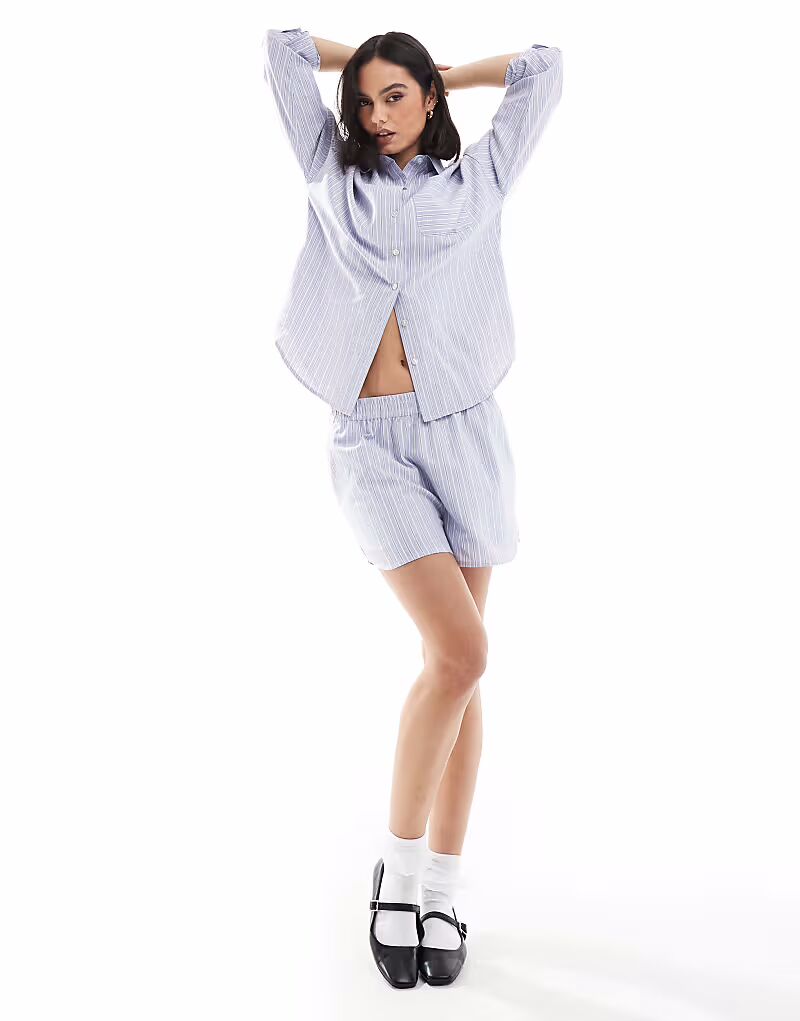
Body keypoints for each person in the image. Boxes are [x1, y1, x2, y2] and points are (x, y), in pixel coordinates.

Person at [262, 27, 563, 988]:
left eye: (397, 96)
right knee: (463, 652)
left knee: (457, 669)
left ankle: (443, 885)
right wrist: (361, 60)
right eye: (365, 100)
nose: (377, 115)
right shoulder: (331, 174)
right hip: (373, 442)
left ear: (428, 99)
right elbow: (280, 49)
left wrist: (444, 72)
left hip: (465, 432)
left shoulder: (477, 182)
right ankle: (397, 869)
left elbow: (543, 70)